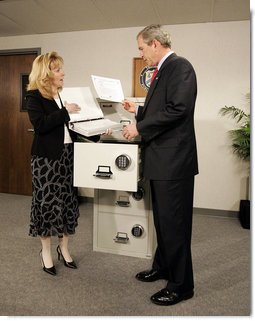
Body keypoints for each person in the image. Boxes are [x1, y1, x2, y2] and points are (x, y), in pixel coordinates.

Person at [122, 25, 198, 306]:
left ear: (155, 43)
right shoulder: (164, 70)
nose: (141, 55)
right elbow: (163, 109)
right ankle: (163, 267)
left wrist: (139, 127)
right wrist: (139, 110)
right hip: (162, 160)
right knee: (163, 222)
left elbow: (178, 109)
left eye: (141, 48)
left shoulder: (180, 67)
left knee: (174, 224)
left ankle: (181, 285)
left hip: (174, 163)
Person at [26, 52, 82, 275]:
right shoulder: (34, 97)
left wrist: (98, 131)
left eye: (61, 69)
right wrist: (65, 112)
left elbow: (76, 125)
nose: (63, 73)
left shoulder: (64, 96)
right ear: (46, 74)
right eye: (58, 70)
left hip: (69, 155)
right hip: (46, 159)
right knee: (46, 204)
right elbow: (40, 125)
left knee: (68, 202)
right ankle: (46, 251)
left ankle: (64, 248)